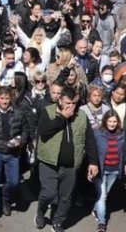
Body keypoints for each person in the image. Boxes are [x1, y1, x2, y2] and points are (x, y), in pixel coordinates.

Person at [34, 87, 99, 232]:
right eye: (68, 103)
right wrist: (62, 117)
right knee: (48, 193)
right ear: (60, 100)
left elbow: (89, 140)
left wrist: (93, 162)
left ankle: (58, 222)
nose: (71, 107)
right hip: (49, 162)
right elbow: (43, 131)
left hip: (71, 165)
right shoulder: (48, 111)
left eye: (74, 103)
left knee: (66, 197)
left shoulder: (81, 116)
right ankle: (40, 212)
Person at [0, 86, 30, 225]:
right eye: (2, 98)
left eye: (7, 98)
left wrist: (21, 140)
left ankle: (6, 199)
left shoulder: (19, 113)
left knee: (13, 182)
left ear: (11, 99)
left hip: (13, 153)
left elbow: (26, 130)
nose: (4, 101)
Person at [91, 110, 126, 232]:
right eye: (110, 121)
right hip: (101, 169)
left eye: (115, 121)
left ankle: (96, 209)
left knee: (105, 193)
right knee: (103, 196)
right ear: (105, 121)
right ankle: (101, 224)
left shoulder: (122, 134)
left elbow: (124, 152)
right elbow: (92, 152)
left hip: (115, 170)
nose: (112, 124)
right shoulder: (98, 133)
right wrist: (92, 166)